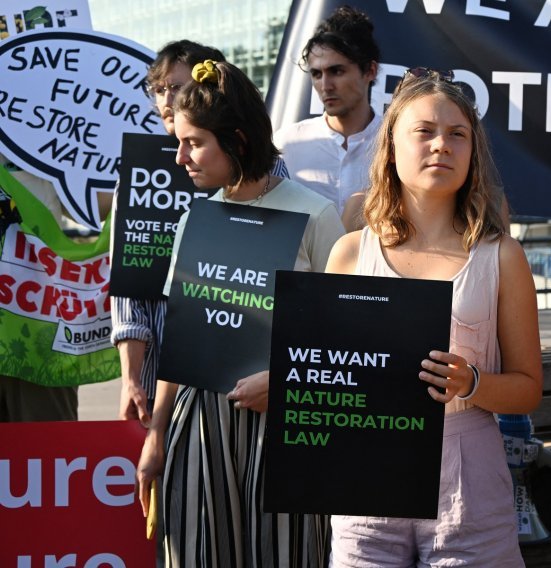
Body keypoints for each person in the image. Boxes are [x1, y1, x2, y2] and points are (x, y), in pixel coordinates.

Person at [325, 68, 543, 566]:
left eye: (457, 134)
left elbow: (529, 386)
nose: (441, 145)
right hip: (367, 475)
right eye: (423, 131)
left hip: (468, 474)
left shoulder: (502, 256)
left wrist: (472, 383)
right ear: (391, 146)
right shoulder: (348, 253)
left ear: (473, 152)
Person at [135, 59, 344, 566]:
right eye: (180, 141)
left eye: (195, 142)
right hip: (200, 425)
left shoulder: (314, 214)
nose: (180, 156)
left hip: (286, 421)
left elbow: (343, 334)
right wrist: (157, 436)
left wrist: (283, 381)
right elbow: (179, 338)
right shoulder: (195, 218)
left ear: (239, 141)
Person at [110, 40, 289, 428]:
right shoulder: (140, 174)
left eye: (177, 87)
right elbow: (129, 288)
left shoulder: (271, 176)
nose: (167, 99)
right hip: (160, 382)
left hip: (249, 383)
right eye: (159, 89)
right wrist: (131, 379)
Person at [273, 5, 381, 224]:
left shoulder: (397, 143)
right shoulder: (286, 144)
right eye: (316, 74)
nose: (325, 85)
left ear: (370, 71)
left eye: (337, 71)